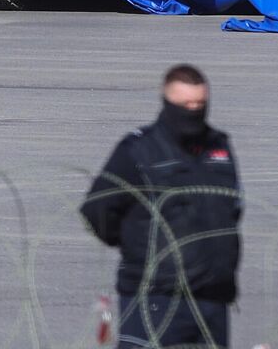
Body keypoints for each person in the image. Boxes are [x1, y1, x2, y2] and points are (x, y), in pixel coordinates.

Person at [80, 64, 242, 348]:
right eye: (185, 105)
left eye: (199, 104)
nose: (193, 111)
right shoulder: (139, 150)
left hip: (212, 297)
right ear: (167, 103)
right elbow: (98, 209)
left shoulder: (219, 147)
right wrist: (137, 244)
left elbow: (232, 208)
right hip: (156, 298)